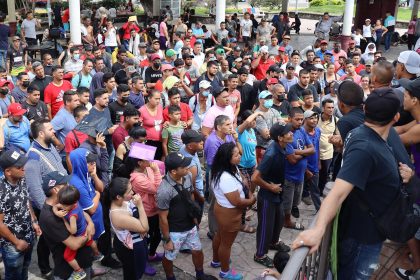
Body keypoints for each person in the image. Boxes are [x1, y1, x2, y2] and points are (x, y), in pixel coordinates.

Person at [292, 88, 410, 279]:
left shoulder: (363, 135)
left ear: (365, 110)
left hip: (368, 231)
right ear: (396, 117)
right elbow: (338, 191)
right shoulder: (365, 147)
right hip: (361, 237)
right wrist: (318, 229)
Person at [157, 152, 217, 280]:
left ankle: (200, 275)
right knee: (169, 257)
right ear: (173, 171)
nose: (188, 168)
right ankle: (170, 277)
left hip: (190, 226)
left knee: (197, 250)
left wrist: (194, 218)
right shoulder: (164, 190)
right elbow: (162, 218)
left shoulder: (188, 176)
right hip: (175, 231)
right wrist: (167, 240)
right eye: (184, 166)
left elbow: (190, 196)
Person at [210, 142, 256, 279]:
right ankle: (225, 271)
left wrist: (246, 187)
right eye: (236, 155)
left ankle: (216, 260)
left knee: (219, 235)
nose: (240, 156)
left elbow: (242, 178)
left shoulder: (230, 168)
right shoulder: (224, 177)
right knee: (226, 244)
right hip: (229, 214)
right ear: (227, 158)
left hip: (224, 211)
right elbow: (236, 201)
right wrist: (252, 200)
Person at [39, 171, 95, 280]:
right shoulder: (50, 217)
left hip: (83, 260)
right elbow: (74, 244)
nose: (69, 186)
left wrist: (91, 223)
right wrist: (88, 234)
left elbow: (81, 212)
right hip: (69, 272)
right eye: (65, 184)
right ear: (56, 190)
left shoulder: (67, 200)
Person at [252, 123, 293, 268]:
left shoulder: (283, 147)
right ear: (280, 138)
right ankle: (260, 255)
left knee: (279, 219)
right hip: (268, 196)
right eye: (288, 133)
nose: (291, 134)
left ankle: (274, 242)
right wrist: (270, 187)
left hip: (278, 193)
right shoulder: (271, 153)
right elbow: (255, 177)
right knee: (265, 226)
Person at [0, 150, 41, 280]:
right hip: (12, 245)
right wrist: (16, 242)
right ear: (8, 171)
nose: (24, 168)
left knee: (24, 270)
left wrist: (34, 221)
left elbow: (26, 201)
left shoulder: (21, 179)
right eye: (19, 167)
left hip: (28, 236)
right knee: (13, 276)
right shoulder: (1, 191)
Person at [53, 185, 103, 279]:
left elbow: (73, 230)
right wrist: (55, 210)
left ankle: (79, 271)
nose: (62, 206)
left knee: (67, 256)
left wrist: (63, 219)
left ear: (72, 203)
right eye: (61, 203)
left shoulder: (72, 216)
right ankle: (97, 254)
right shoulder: (76, 203)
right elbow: (57, 206)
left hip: (79, 235)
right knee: (91, 241)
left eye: (65, 205)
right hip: (84, 229)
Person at [109, 177, 150, 280]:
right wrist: (140, 206)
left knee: (135, 270)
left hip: (135, 242)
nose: (133, 192)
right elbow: (145, 227)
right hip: (130, 249)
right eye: (129, 191)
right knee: (132, 274)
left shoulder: (123, 201)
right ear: (118, 196)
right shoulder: (118, 216)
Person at [283, 107, 315, 230]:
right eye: (297, 119)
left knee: (296, 201)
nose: (300, 122)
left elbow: (312, 149)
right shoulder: (286, 134)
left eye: (302, 119)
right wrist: (305, 153)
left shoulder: (301, 130)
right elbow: (292, 159)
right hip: (289, 176)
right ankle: (286, 221)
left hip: (300, 174)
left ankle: (290, 212)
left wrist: (297, 152)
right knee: (287, 202)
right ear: (289, 119)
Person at [301, 110, 322, 211]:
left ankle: (319, 210)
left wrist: (318, 162)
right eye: (312, 118)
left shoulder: (318, 131)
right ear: (305, 120)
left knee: (315, 190)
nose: (315, 120)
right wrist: (306, 170)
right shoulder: (300, 133)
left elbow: (317, 147)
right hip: (301, 167)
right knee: (296, 191)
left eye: (316, 118)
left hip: (314, 166)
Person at [317, 99, 337, 195]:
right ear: (323, 108)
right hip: (314, 152)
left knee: (324, 174)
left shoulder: (336, 120)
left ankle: (320, 191)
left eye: (332, 107)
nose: (331, 109)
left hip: (328, 153)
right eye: (328, 107)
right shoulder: (316, 118)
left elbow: (338, 135)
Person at [139, 90, 164, 160]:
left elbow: (164, 120)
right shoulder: (142, 110)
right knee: (148, 162)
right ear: (149, 98)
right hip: (147, 142)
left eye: (159, 99)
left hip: (160, 141)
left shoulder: (160, 107)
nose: (158, 101)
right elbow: (138, 127)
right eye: (156, 99)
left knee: (158, 162)